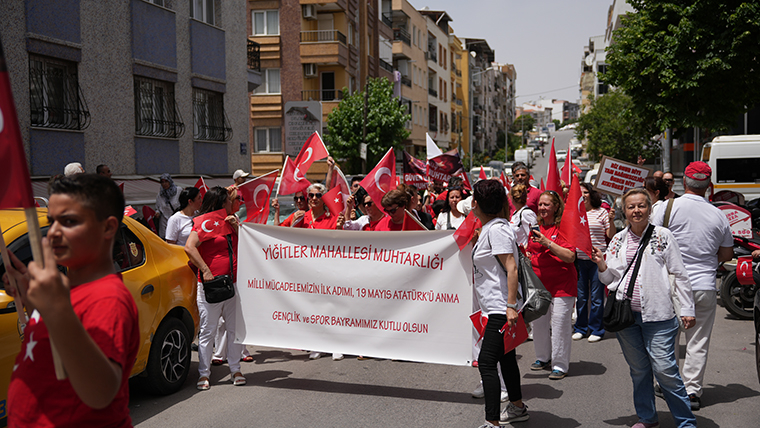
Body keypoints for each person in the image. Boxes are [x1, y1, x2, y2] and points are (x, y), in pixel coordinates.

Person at [4, 174, 139, 427]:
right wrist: (32, 303)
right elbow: (61, 348)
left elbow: (100, 391)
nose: (53, 232)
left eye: (69, 221)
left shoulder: (107, 298)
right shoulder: (69, 289)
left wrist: (55, 308)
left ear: (108, 227)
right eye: (51, 220)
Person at [592, 188, 697, 428]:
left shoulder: (663, 235)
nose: (636, 211)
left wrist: (687, 309)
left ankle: (686, 422)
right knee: (639, 370)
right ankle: (647, 418)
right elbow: (609, 280)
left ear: (650, 209)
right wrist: (601, 265)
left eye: (641, 206)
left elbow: (679, 274)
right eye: (631, 207)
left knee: (665, 371)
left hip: (659, 316)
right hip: (626, 318)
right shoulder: (618, 239)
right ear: (624, 211)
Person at [650, 162, 733, 410]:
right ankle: (692, 391)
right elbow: (727, 254)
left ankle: (668, 384)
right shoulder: (719, 214)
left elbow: (651, 243)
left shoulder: (666, 208)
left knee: (668, 337)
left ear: (683, 182)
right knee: (698, 340)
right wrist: (706, 260)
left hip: (671, 284)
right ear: (709, 187)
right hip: (704, 284)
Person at [470, 179, 528, 427]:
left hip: (500, 308)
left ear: (476, 203)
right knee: (505, 358)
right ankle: (517, 407)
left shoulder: (497, 230)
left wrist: (511, 306)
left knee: (486, 362)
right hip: (496, 306)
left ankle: (491, 422)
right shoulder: (492, 229)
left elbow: (511, 267)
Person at [184, 186, 246, 390]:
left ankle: (236, 370)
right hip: (210, 285)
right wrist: (205, 269)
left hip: (233, 283)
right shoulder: (204, 223)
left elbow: (247, 246)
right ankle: (204, 374)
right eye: (229, 201)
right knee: (208, 330)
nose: (232, 203)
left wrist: (237, 228)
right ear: (221, 203)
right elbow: (189, 247)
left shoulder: (232, 221)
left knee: (234, 329)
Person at [526, 190, 577, 380]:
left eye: (547, 204)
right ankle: (542, 357)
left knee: (559, 324)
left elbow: (570, 256)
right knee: (538, 323)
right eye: (540, 204)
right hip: (539, 284)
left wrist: (548, 243)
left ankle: (560, 365)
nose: (542, 208)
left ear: (556, 207)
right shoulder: (535, 227)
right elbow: (531, 251)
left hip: (562, 285)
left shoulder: (564, 228)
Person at [572, 183, 615, 343]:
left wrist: (611, 221)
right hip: (579, 259)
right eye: (579, 192)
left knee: (597, 297)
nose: (582, 195)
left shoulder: (602, 212)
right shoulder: (574, 213)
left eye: (585, 192)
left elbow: (610, 235)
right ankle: (581, 328)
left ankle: (597, 328)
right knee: (581, 297)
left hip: (597, 260)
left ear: (591, 194)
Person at [155, 173, 182, 239]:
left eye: (166, 181)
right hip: (164, 221)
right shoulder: (160, 195)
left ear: (170, 181)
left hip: (176, 220)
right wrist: (157, 212)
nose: (164, 184)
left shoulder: (178, 191)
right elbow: (158, 207)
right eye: (162, 182)